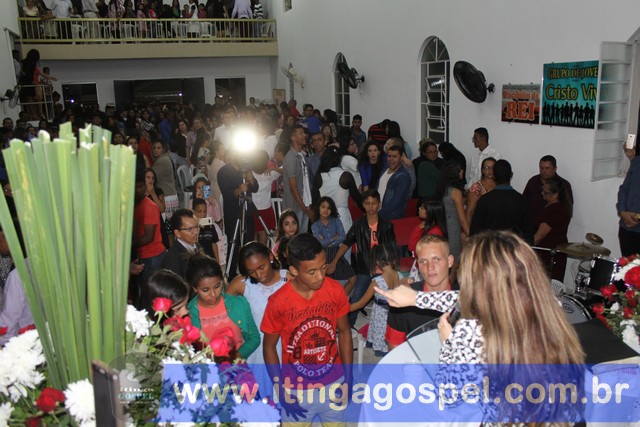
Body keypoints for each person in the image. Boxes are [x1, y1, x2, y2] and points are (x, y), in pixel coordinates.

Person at [376, 230, 584, 422]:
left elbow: (448, 396)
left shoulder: (469, 333)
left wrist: (450, 343)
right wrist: (416, 298)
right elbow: (467, 299)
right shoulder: (547, 304)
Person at [261, 233, 352, 424]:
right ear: (294, 270)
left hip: (334, 383)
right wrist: (280, 389)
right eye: (311, 272)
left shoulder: (335, 290)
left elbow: (344, 332)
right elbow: (269, 347)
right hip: (295, 389)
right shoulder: (278, 301)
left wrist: (349, 376)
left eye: (323, 267)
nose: (320, 276)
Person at [226, 242, 288, 395]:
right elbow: (222, 313)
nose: (259, 275)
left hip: (286, 347)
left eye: (262, 267)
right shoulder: (242, 284)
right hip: (257, 350)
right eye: (251, 271)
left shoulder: (289, 279)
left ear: (270, 257)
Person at [327, 190, 396, 326]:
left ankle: (390, 327)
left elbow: (392, 248)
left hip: (384, 270)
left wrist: (392, 268)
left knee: (389, 301)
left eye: (374, 203)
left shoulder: (387, 225)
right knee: (356, 300)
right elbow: (346, 243)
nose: (371, 207)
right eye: (367, 203)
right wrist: (334, 262)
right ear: (363, 205)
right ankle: (348, 327)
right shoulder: (358, 225)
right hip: (365, 268)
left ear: (379, 204)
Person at [385, 234, 455, 350]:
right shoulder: (403, 300)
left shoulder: (466, 296)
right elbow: (395, 348)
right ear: (417, 264)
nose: (430, 267)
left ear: (450, 261)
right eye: (423, 261)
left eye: (436, 259)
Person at [186, 253, 259, 359]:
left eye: (217, 286)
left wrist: (237, 356)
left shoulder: (238, 303)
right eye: (205, 290)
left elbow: (254, 338)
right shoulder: (188, 313)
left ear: (222, 281)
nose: (213, 294)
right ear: (194, 288)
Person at [349, 243, 401, 356]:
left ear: (377, 262)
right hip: (392, 314)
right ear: (393, 259)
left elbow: (361, 303)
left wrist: (345, 309)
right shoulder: (399, 275)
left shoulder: (377, 282)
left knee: (380, 332)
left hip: (380, 315)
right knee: (389, 334)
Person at [471, 159, 533, 244]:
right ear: (511, 175)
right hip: (514, 249)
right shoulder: (522, 201)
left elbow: (475, 232)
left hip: (490, 248)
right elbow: (528, 235)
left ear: (494, 176)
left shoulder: (484, 200)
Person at [311, 196, 356, 295]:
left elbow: (342, 237)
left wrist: (327, 240)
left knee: (353, 278)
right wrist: (333, 238)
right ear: (318, 208)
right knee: (324, 283)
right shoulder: (315, 225)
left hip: (337, 252)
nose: (326, 210)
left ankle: (340, 301)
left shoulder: (336, 220)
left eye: (329, 208)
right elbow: (320, 243)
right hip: (322, 254)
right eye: (323, 207)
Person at [313, 146, 363, 234]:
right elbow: (357, 198)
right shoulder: (346, 176)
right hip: (343, 217)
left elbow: (315, 202)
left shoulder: (319, 177)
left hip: (325, 218)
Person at [133, 173, 167, 293]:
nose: (137, 190)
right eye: (135, 187)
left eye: (140, 186)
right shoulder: (136, 204)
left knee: (151, 292)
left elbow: (149, 237)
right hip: (143, 255)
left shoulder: (149, 206)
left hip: (152, 256)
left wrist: (129, 245)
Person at [534, 176, 572, 281]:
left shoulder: (553, 210)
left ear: (556, 195)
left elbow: (539, 236)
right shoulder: (563, 207)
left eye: (546, 193)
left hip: (549, 254)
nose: (542, 194)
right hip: (559, 251)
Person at [523, 155, 574, 228]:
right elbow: (524, 202)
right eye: (541, 168)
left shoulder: (563, 184)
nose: (544, 171)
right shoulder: (533, 181)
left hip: (553, 229)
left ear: (555, 168)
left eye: (547, 168)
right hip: (531, 227)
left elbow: (567, 209)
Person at [437, 160, 469, 262]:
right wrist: (471, 235)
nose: (462, 171)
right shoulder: (456, 192)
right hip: (453, 229)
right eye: (460, 170)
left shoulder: (444, 189)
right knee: (455, 261)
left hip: (444, 227)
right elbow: (462, 220)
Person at [282, 125, 313, 232]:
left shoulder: (301, 155)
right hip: (295, 206)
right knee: (295, 235)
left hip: (304, 203)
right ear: (293, 137)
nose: (304, 135)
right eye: (301, 133)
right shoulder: (291, 158)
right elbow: (293, 188)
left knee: (302, 235)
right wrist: (305, 209)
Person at [161, 209, 202, 280]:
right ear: (177, 233)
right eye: (190, 229)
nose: (196, 232)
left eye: (196, 227)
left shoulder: (197, 245)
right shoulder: (172, 258)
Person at [251, 150, 281, 246]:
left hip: (252, 208)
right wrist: (274, 169)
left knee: (254, 232)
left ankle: (254, 252)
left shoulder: (250, 174)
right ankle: (263, 252)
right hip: (265, 208)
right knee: (263, 233)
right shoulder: (270, 174)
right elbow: (285, 168)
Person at [378, 144, 411, 220]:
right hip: (379, 214)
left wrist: (379, 214)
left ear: (401, 158)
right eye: (389, 156)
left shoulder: (403, 176)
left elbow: (397, 200)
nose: (391, 159)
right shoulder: (384, 170)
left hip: (391, 217)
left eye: (394, 156)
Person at [617, 146, 640, 256]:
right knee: (627, 265)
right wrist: (622, 212)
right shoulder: (637, 162)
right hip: (626, 229)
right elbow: (624, 189)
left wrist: (637, 217)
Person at [465, 156, 496, 226]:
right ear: (482, 170)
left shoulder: (499, 185)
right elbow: (469, 211)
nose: (490, 170)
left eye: (492, 168)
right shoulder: (476, 187)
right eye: (486, 168)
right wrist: (469, 230)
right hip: (480, 225)